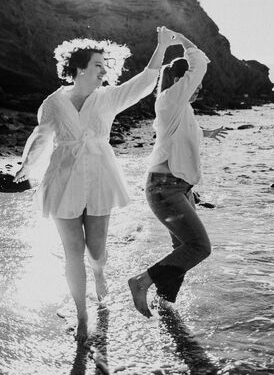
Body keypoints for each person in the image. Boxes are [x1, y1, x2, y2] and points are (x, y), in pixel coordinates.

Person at [14, 27, 176, 340]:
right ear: (79, 68)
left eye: (105, 65)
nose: (104, 70)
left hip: (100, 178)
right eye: (98, 65)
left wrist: (162, 46)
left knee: (96, 250)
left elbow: (143, 82)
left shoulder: (107, 98)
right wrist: (27, 166)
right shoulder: (53, 103)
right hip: (63, 180)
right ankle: (81, 314)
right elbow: (41, 137)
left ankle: (99, 271)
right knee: (73, 252)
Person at [128, 31, 227, 318]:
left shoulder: (179, 108)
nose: (199, 89)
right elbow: (199, 64)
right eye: (196, 85)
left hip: (178, 189)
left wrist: (207, 132)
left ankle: (165, 307)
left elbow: (182, 133)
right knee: (199, 247)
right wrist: (182, 40)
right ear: (183, 81)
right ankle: (141, 282)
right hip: (165, 189)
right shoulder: (170, 99)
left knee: (182, 252)